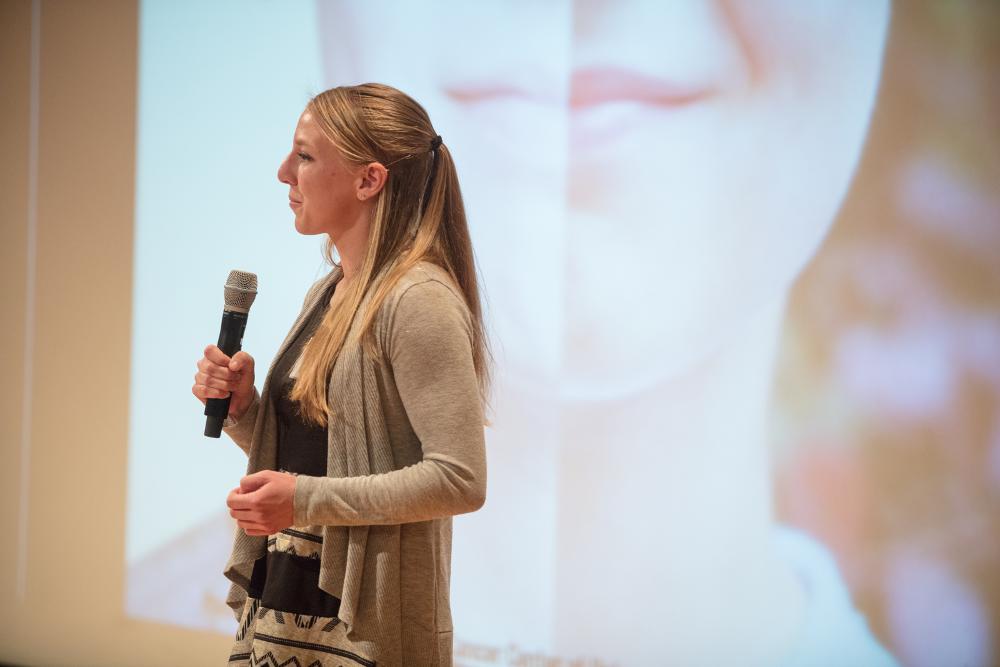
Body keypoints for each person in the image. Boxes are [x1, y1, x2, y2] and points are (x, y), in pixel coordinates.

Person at [191, 82, 491, 666]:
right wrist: (246, 413)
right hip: (286, 603)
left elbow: (460, 479)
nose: (284, 173)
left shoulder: (418, 298)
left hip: (364, 626)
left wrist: (302, 500)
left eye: (304, 156)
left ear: (368, 180)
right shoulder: (329, 290)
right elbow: (326, 455)